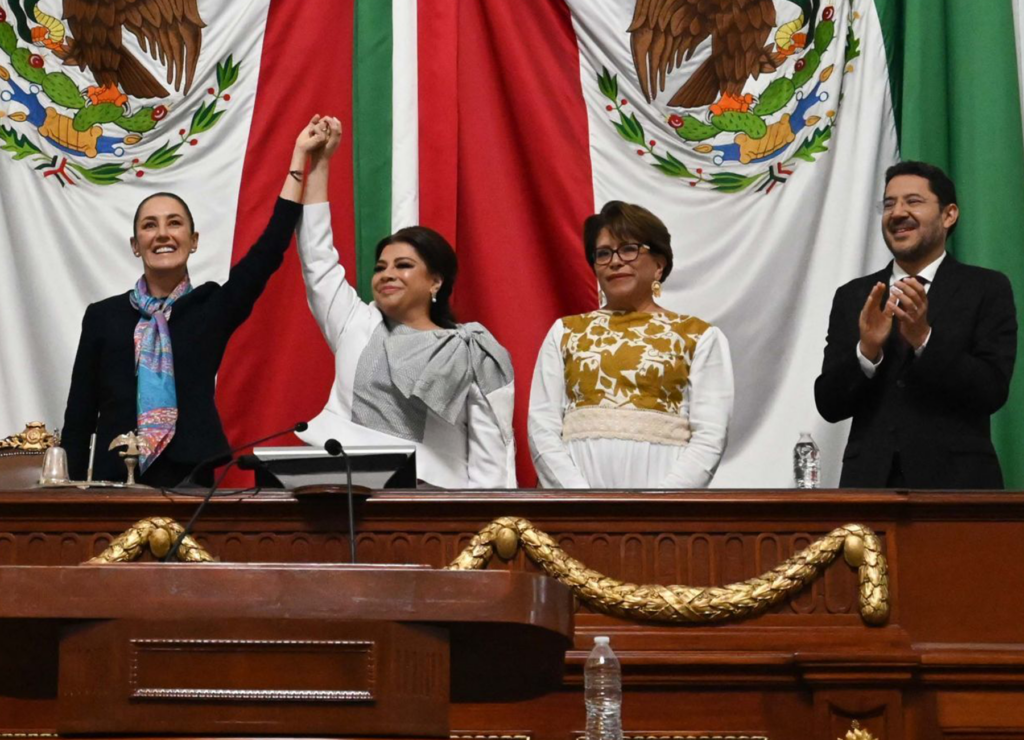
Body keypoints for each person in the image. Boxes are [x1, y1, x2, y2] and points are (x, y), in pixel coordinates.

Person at [61, 119, 326, 487]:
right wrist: (69, 496)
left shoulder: (210, 308)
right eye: (149, 226)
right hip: (114, 479)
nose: (163, 234)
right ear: (135, 245)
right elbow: (79, 414)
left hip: (191, 476)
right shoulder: (103, 316)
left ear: (194, 239)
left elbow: (268, 251)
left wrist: (300, 157)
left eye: (174, 223)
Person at [294, 117, 516, 488]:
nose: (386, 274)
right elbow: (317, 258)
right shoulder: (356, 323)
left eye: (404, 266)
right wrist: (319, 164)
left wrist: (486, 523)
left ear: (436, 281)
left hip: (431, 499)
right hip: (341, 487)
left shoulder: (471, 349)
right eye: (380, 267)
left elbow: (491, 450)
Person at [814, 161, 1017, 489]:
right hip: (869, 489)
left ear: (949, 215)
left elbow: (991, 390)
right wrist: (867, 352)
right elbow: (828, 403)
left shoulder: (986, 289)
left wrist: (924, 339)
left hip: (958, 492)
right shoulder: (854, 296)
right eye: (889, 203)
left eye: (914, 201)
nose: (897, 213)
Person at [528, 201, 734, 489]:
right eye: (603, 254)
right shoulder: (565, 332)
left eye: (628, 249)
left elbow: (710, 436)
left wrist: (658, 505)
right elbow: (542, 428)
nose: (615, 261)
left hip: (664, 509)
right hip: (574, 505)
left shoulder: (699, 336)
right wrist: (578, 499)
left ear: (659, 265)